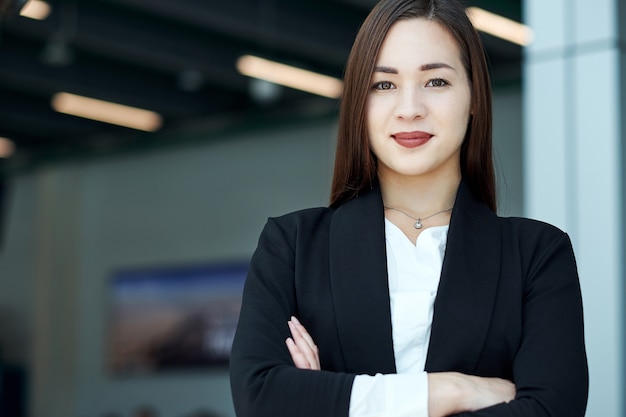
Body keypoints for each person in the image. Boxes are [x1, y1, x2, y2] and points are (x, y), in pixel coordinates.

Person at [229, 0, 589, 416]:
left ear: (474, 96)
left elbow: (552, 409)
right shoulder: (292, 247)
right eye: (383, 85)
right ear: (359, 106)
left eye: (436, 81)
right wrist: (450, 392)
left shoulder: (537, 254)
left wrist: (330, 398)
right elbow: (259, 398)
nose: (410, 108)